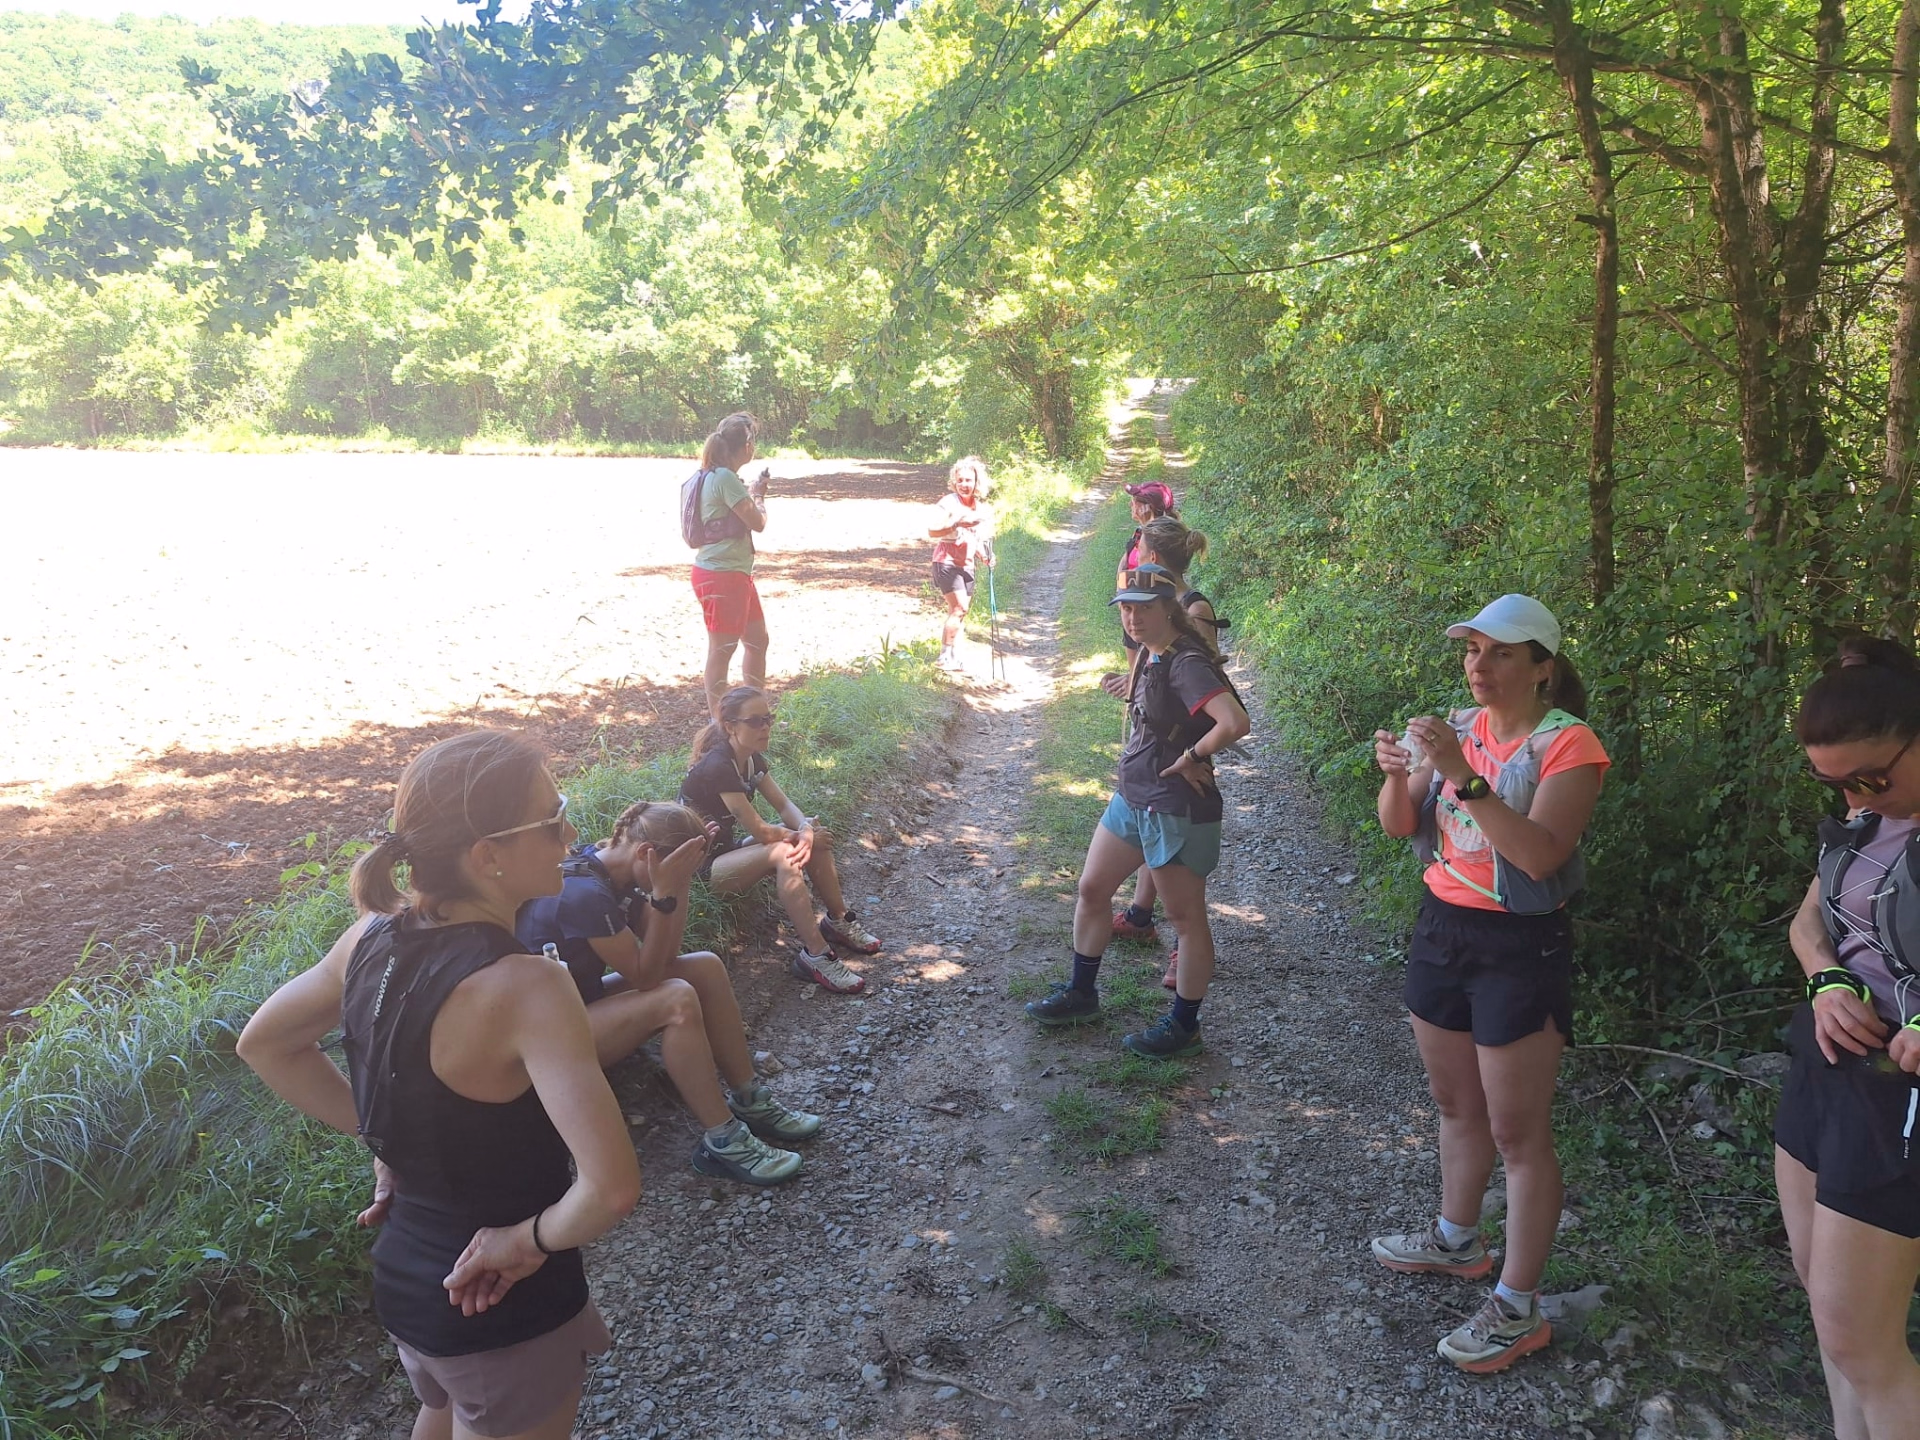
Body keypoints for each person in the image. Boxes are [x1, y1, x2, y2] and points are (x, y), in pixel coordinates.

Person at [236, 731, 642, 1440]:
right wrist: (528, 1241)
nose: (570, 833)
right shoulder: (527, 985)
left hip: (408, 1279)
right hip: (497, 1297)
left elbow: (267, 1043)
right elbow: (611, 1190)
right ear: (487, 857)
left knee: (443, 1408)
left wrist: (385, 1134)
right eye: (552, 819)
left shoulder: (368, 936)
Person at [1367, 594, 1608, 1375]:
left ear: (1543, 667)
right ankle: (1456, 1239)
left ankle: (1517, 1306)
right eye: (1472, 651)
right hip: (1442, 928)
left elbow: (1539, 856)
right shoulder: (1454, 727)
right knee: (1453, 1104)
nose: (1479, 665)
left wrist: (1459, 774)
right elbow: (1402, 826)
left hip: (1520, 944)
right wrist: (1399, 776)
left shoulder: (1568, 744)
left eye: (1501, 652)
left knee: (1519, 1137)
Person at [514, 799, 819, 1188]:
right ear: (646, 853)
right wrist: (664, 892)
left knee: (704, 966)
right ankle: (723, 1139)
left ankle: (749, 1098)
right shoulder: (585, 895)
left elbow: (666, 951)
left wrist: (678, 884)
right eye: (677, 866)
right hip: (544, 1044)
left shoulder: (612, 869)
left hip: (577, 1006)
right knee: (674, 999)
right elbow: (647, 976)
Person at [1776, 634, 1920, 1440]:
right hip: (1827, 1060)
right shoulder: (1867, 820)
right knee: (1827, 1313)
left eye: (1872, 777)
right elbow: (1810, 917)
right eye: (1835, 785)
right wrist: (1824, 976)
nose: (1859, 799)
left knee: (1865, 1343)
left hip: (1899, 1098)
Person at [1023, 565, 1250, 1058]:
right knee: (1092, 888)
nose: (1132, 617)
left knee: (1185, 919)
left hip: (1174, 806)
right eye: (1125, 607)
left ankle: (1184, 1025)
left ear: (1169, 608)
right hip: (1134, 795)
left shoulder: (1187, 662)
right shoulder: (1154, 652)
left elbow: (1234, 721)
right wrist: (1130, 689)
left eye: (1143, 608)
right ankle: (1082, 993)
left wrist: (1191, 757)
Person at [679, 685, 883, 995]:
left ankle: (838, 921)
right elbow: (761, 831)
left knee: (815, 836)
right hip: (701, 868)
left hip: (727, 851)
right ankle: (815, 955)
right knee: (785, 851)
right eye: (755, 721)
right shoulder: (719, 766)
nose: (765, 727)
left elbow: (785, 806)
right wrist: (799, 835)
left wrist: (806, 828)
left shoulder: (750, 758)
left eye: (768, 718)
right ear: (731, 726)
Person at [1104, 517, 1229, 992]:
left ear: (1152, 556)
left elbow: (1203, 681)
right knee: (1150, 830)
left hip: (1182, 744)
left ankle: (1180, 945)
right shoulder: (1149, 598)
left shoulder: (1189, 607)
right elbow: (1151, 666)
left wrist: (1193, 749)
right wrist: (1133, 691)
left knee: (1174, 845)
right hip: (1152, 734)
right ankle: (1140, 914)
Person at [688, 412, 771, 721]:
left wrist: (749, 492)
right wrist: (759, 495)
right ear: (747, 444)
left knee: (757, 641)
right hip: (721, 575)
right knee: (722, 651)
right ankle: (719, 724)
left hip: (732, 573)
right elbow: (757, 522)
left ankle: (756, 713)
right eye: (754, 439)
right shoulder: (723, 477)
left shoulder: (716, 475)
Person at [927, 455, 996, 671]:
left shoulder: (982, 509)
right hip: (946, 561)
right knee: (959, 608)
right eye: (960, 481)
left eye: (968, 480)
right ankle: (944, 657)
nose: (964, 485)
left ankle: (953, 655)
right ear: (954, 482)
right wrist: (957, 522)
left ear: (977, 483)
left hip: (966, 565)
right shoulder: (947, 503)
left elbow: (976, 539)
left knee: (958, 612)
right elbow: (932, 530)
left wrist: (985, 556)